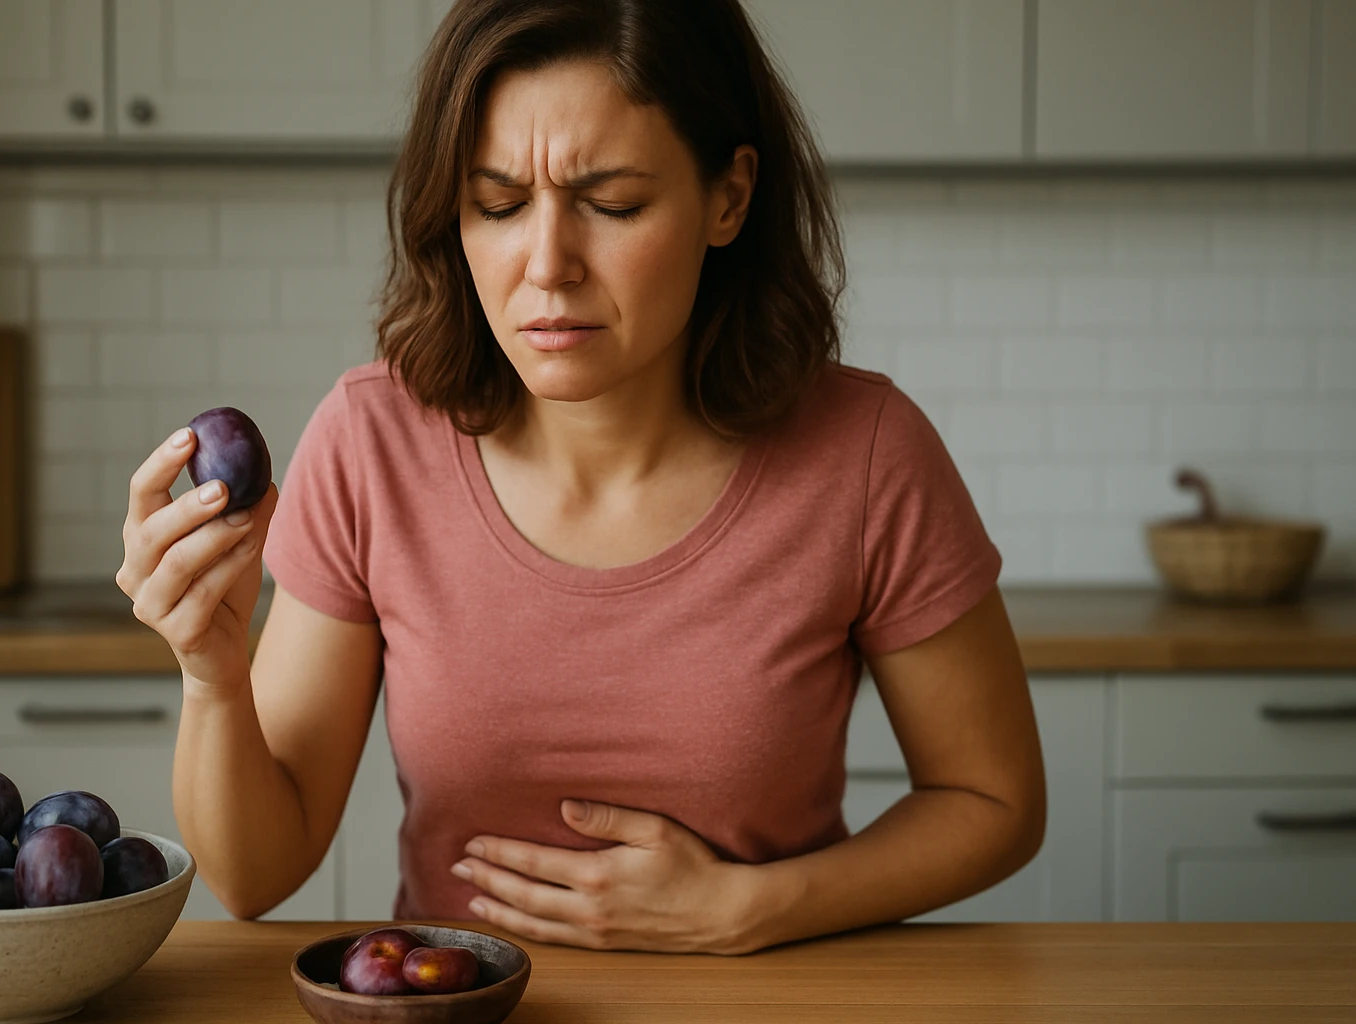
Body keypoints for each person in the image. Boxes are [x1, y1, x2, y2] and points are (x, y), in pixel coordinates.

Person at [116, 0, 1045, 955]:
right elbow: (253, 877)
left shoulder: (868, 452)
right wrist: (213, 675)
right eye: (499, 204)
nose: (547, 266)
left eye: (613, 205)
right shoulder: (370, 443)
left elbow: (995, 801)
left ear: (729, 198)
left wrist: (749, 909)